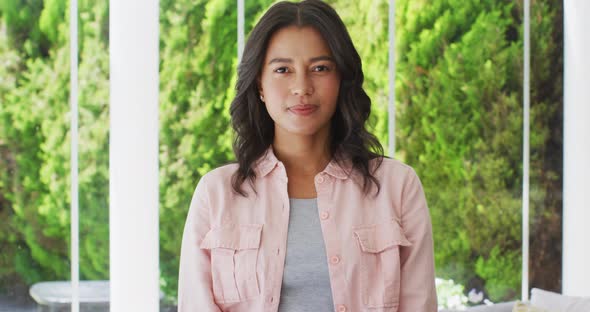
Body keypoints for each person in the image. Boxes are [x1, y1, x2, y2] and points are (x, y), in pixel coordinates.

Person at [178, 0, 437, 311]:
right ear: (259, 83)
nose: (301, 87)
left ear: (342, 79)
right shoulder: (216, 194)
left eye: (320, 68)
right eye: (283, 69)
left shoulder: (397, 187)